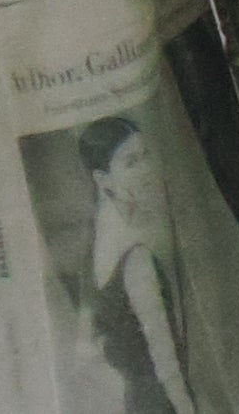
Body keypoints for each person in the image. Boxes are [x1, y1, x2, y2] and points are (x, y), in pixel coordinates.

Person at [78, 117, 201, 414]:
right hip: (161, 402)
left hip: (135, 400)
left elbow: (87, 348)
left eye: (145, 156)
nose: (146, 170)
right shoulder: (134, 254)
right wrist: (187, 409)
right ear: (103, 180)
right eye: (131, 162)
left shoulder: (94, 243)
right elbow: (164, 357)